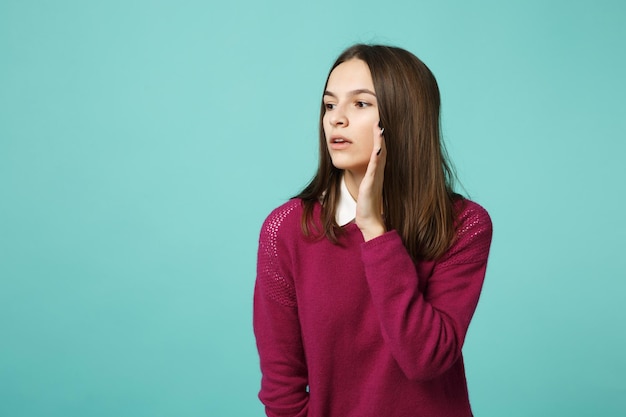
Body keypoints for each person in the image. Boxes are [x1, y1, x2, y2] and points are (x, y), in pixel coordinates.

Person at [253, 44, 493, 417]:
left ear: (403, 118)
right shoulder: (285, 230)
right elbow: (281, 387)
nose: (336, 119)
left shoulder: (463, 225)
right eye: (330, 105)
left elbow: (425, 359)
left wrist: (376, 233)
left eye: (360, 104)